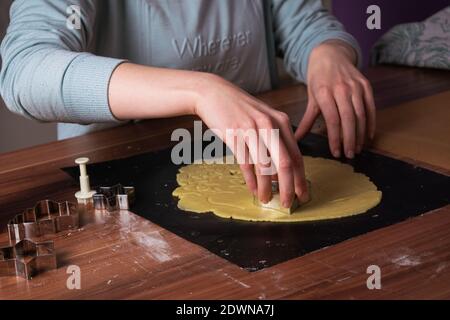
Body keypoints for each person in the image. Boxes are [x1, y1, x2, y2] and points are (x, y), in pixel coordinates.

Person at [0, 0, 376, 210]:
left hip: (260, 154)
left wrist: (328, 54)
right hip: (123, 180)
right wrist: (201, 91)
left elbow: (305, 23)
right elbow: (25, 71)